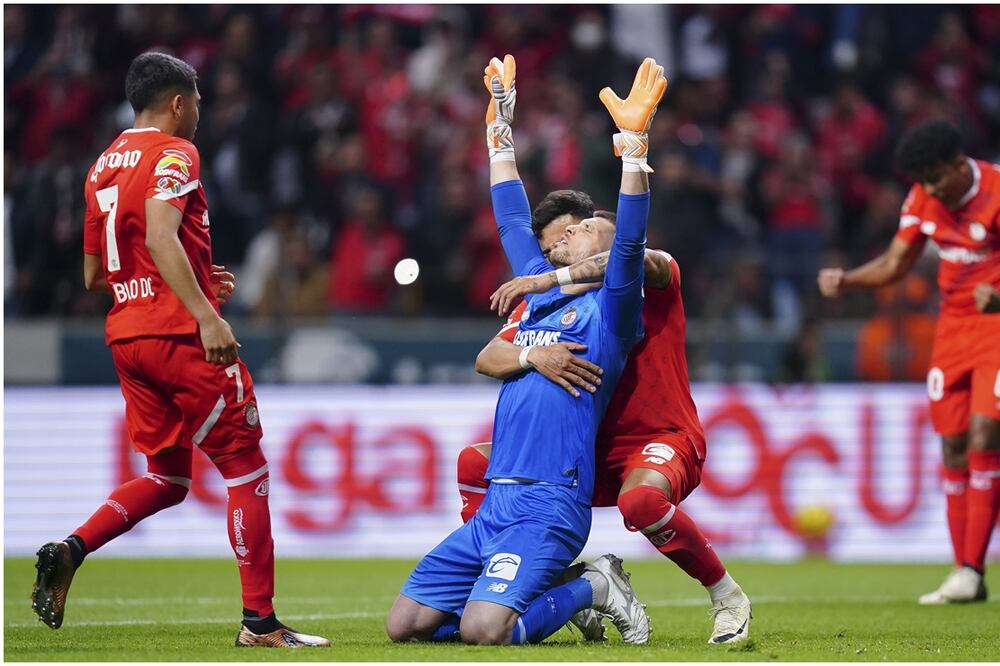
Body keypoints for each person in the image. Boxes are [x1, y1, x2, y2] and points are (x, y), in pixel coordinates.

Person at [32, 52, 329, 648]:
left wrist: (192, 274)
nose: (199, 114)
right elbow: (161, 231)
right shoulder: (176, 153)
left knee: (167, 477)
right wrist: (204, 313)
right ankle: (260, 623)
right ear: (177, 102)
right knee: (246, 466)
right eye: (196, 102)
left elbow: (97, 272)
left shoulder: (101, 166)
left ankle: (72, 547)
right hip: (179, 336)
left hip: (128, 338)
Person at [385, 54, 662, 646]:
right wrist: (499, 127)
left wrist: (634, 150)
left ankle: (596, 586)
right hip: (496, 502)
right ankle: (540, 597)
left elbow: (632, 238)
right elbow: (511, 216)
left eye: (585, 229)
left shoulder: (610, 310)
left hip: (550, 501)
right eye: (566, 230)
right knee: (404, 626)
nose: (568, 232)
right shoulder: (534, 297)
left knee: (485, 632)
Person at [463, 228, 752, 643]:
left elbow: (627, 259)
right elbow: (487, 356)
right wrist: (533, 355)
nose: (568, 237)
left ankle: (728, 597)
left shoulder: (657, 271)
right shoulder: (557, 307)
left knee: (640, 501)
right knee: (475, 464)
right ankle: (566, 583)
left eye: (584, 230)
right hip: (589, 448)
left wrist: (546, 279)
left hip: (661, 437)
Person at [818, 120, 1000, 604]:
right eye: (921, 181)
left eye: (935, 179)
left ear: (958, 165)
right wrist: (848, 281)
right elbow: (896, 263)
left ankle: (971, 569)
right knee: (953, 446)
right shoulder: (923, 198)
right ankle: (964, 573)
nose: (929, 189)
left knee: (985, 436)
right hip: (954, 327)